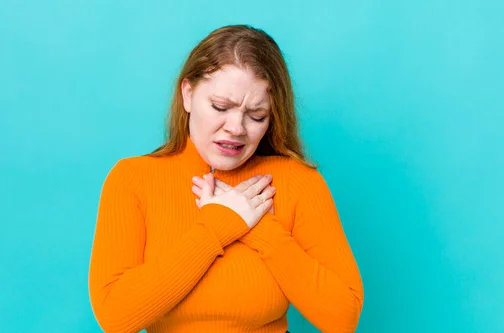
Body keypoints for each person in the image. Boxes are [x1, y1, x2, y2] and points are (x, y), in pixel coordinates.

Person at [88, 24, 364, 333]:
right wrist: (220, 225)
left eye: (257, 115)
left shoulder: (298, 182)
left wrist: (259, 228)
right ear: (188, 94)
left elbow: (343, 317)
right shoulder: (133, 179)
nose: (236, 127)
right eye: (220, 107)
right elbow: (115, 316)